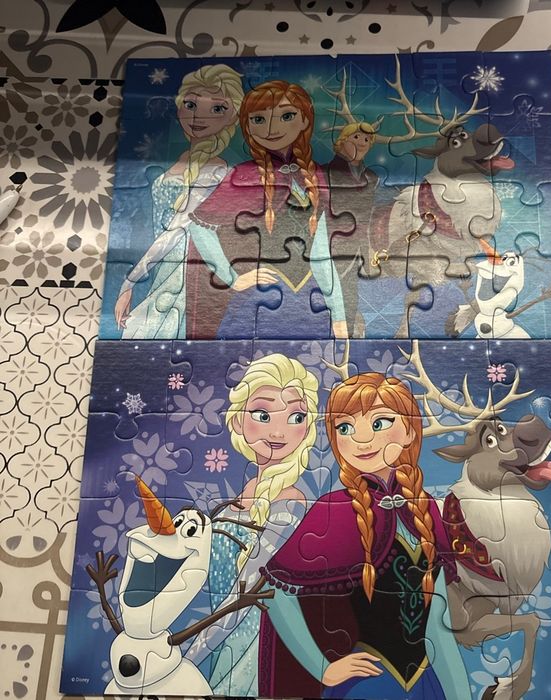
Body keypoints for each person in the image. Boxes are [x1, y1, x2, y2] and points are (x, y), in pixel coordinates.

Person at [259, 373, 471, 700]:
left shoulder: (426, 508)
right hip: (365, 685)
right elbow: (273, 591)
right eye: (345, 428)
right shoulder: (334, 510)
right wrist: (322, 668)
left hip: (426, 684)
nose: (361, 439)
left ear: (410, 430)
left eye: (379, 422)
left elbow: (438, 632)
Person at [184, 354, 319, 696]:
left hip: (258, 646)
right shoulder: (245, 492)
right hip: (220, 636)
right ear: (237, 420)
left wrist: (188, 657)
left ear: (308, 427)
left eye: (296, 417)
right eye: (262, 414)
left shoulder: (291, 502)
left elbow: (244, 592)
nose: (278, 432)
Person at [184, 80, 348, 339]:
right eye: (259, 119)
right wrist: (233, 278)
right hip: (258, 298)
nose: (271, 128)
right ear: (248, 126)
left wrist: (338, 314)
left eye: (286, 116)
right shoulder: (244, 175)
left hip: (309, 299)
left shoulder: (315, 174)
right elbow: (199, 225)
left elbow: (321, 253)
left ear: (305, 120)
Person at [113, 64, 244, 339]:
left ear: (233, 116)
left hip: (187, 275)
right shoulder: (179, 160)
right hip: (162, 268)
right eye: (191, 104)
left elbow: (177, 230)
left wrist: (130, 280)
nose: (199, 115)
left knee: (147, 336)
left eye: (217, 108)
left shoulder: (216, 170)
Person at [325, 122, 379, 337]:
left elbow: (367, 217)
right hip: (326, 245)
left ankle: (344, 338)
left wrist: (367, 249)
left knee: (348, 293)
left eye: (367, 140)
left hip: (354, 247)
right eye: (356, 137)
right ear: (342, 140)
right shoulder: (325, 172)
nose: (362, 143)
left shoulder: (371, 177)